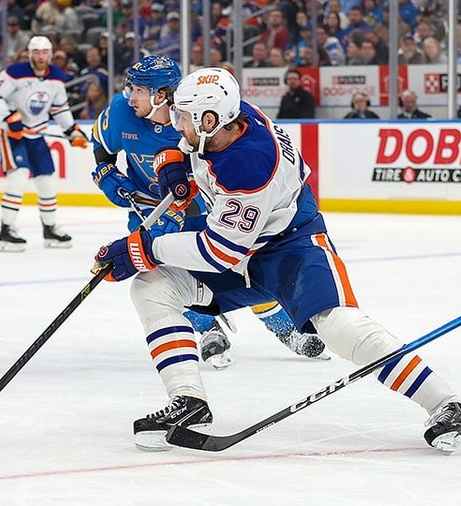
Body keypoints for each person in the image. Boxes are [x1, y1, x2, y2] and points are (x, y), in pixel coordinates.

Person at [90, 68, 461, 451]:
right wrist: (173, 161)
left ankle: (446, 405)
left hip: (292, 249)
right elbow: (190, 152)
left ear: (209, 121)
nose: (178, 124)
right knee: (152, 287)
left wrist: (142, 249)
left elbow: (220, 252)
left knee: (340, 326)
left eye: (184, 118)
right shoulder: (232, 117)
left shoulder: (249, 164)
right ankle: (188, 401)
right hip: (244, 244)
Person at [89, 55, 325, 370]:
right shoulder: (120, 112)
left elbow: (211, 172)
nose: (130, 96)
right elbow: (102, 144)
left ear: (161, 94)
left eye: (140, 90)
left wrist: (182, 202)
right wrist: (105, 171)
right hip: (146, 205)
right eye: (131, 87)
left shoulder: (194, 119)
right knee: (164, 271)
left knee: (240, 264)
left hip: (198, 204)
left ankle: (283, 327)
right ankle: (207, 330)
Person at [0, 36, 87, 252]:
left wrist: (71, 130)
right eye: (36, 52)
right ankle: (6, 231)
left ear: (50, 54)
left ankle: (50, 229)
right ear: (29, 54)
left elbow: (59, 107)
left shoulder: (57, 77)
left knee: (47, 180)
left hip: (37, 135)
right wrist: (8, 117)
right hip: (12, 135)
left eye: (44, 52)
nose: (40, 56)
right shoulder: (15, 72)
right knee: (18, 177)